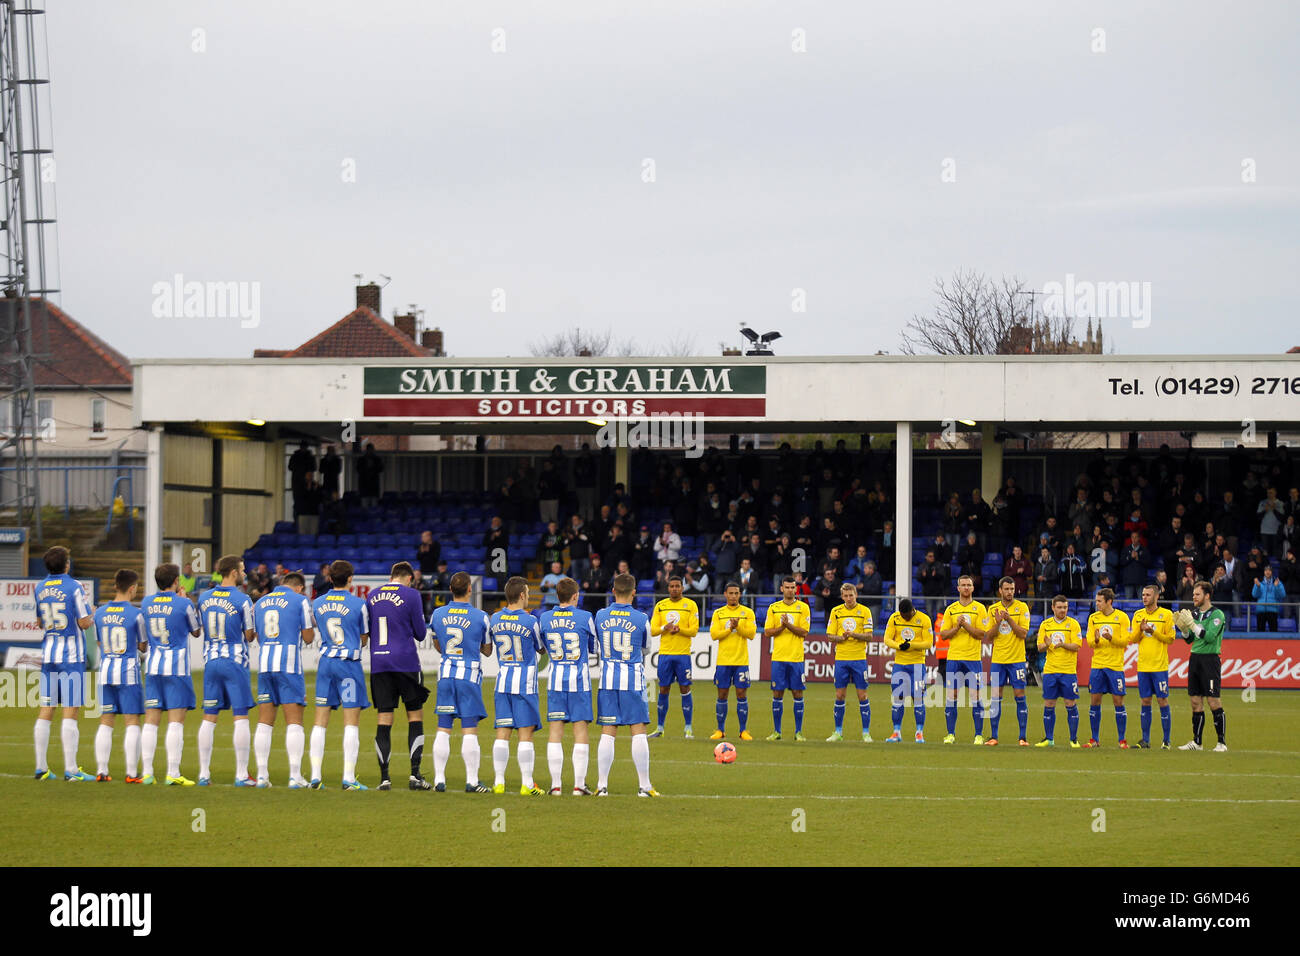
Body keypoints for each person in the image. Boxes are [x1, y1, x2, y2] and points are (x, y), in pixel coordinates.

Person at [366, 562, 433, 790]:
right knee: (414, 716)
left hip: (379, 663)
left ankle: (384, 778)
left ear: (391, 576)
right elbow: (421, 634)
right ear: (409, 578)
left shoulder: (372, 595)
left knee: (384, 719)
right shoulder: (412, 595)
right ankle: (415, 775)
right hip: (405, 662)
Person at [32, 546, 96, 782]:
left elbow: (39, 622)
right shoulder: (74, 587)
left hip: (49, 655)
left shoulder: (39, 588)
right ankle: (71, 769)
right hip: (71, 657)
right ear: (66, 564)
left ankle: (41, 768)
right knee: (71, 710)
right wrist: (94, 613)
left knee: (46, 709)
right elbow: (84, 623)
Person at [427, 571, 494, 794]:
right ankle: (472, 781)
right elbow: (487, 650)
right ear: (469, 589)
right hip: (468, 676)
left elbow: (437, 644)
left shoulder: (437, 614)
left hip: (446, 675)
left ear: (450, 590)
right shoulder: (481, 616)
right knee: (469, 729)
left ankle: (438, 780)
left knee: (443, 728)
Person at [593, 573, 658, 796]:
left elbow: (597, 644)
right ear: (634, 592)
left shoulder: (600, 615)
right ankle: (644, 786)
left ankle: (602, 785)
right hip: (632, 679)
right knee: (638, 730)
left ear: (613, 591)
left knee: (608, 731)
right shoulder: (641, 618)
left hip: (608, 679)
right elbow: (646, 649)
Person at [195, 556, 257, 786]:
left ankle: (203, 774)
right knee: (240, 716)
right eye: (242, 569)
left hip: (211, 661)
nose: (245, 573)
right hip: (234, 661)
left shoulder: (204, 597)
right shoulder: (242, 600)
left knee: (209, 717)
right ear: (232, 572)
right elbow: (249, 635)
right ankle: (241, 774)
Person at [310, 560, 371, 790]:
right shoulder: (359, 604)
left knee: (320, 720)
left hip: (326, 664)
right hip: (348, 665)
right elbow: (364, 637)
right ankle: (348, 777)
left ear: (329, 578)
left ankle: (315, 777)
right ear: (350, 579)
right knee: (351, 722)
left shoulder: (318, 603)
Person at [252, 570, 316, 788]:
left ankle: (262, 776)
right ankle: (295, 776)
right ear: (299, 587)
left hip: (265, 664)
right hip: (288, 664)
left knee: (264, 721)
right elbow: (308, 638)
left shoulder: (261, 602)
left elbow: (258, 636)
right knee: (294, 721)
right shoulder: (300, 601)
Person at [141, 562, 203, 785]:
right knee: (176, 721)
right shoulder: (183, 603)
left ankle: (147, 772)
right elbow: (196, 631)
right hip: (176, 668)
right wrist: (185, 600)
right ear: (176, 581)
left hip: (153, 666)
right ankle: (173, 773)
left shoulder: (146, 602)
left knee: (151, 719)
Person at [538, 577, 598, 795]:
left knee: (555, 731)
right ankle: (578, 785)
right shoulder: (585, 617)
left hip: (555, 681)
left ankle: (555, 786)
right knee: (580, 731)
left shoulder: (544, 617)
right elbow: (593, 648)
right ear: (574, 596)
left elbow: (542, 646)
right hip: (579, 682)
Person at [488, 577, 548, 795]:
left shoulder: (494, 618)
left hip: (503, 682)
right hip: (525, 684)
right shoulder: (531, 621)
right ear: (522, 595)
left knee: (502, 732)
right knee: (525, 734)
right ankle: (527, 784)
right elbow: (541, 649)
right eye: (528, 594)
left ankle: (499, 783)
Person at [91, 569, 148, 783]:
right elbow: (143, 646)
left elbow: (98, 642)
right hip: (127, 672)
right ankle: (132, 773)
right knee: (132, 721)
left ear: (115, 586)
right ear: (132, 588)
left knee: (106, 721)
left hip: (105, 670)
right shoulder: (136, 614)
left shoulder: (100, 613)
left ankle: (101, 770)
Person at [1175, 581, 1228, 751]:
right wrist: (1183, 629)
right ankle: (1197, 742)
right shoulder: (1195, 613)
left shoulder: (1217, 614)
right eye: (1193, 595)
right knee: (1195, 701)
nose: (1194, 597)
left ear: (1207, 595)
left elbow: (1210, 637)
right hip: (1195, 659)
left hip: (1210, 660)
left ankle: (1221, 743)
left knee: (1213, 701)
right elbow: (1190, 639)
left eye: (1197, 594)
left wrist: (1191, 624)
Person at [939, 575, 989, 745]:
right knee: (952, 696)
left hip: (973, 659)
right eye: (963, 585)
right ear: (958, 588)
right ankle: (950, 734)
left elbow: (982, 634)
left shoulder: (980, 609)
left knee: (976, 696)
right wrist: (956, 627)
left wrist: (965, 625)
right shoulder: (951, 610)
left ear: (973, 588)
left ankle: (978, 735)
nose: (966, 588)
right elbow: (944, 635)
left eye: (969, 585)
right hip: (954, 659)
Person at [648, 575, 700, 739]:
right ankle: (660, 728)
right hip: (665, 655)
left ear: (682, 588)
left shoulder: (690, 605)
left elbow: (694, 630)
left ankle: (688, 727)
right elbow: (653, 630)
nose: (674, 589)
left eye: (677, 586)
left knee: (685, 689)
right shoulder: (661, 606)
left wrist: (679, 630)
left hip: (683, 655)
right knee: (663, 689)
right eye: (671, 586)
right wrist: (665, 627)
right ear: (668, 587)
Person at [823, 582, 875, 742]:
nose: (848, 598)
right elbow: (830, 636)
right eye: (845, 596)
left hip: (859, 659)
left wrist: (853, 634)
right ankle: (838, 732)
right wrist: (841, 638)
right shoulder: (836, 611)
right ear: (842, 596)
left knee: (862, 695)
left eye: (851, 595)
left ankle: (866, 733)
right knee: (839, 695)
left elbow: (869, 636)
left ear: (856, 595)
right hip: (841, 659)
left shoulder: (864, 611)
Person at [763, 577, 812, 742]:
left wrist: (788, 626)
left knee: (797, 693)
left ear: (796, 590)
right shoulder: (774, 608)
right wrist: (781, 627)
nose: (790, 590)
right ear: (782, 589)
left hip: (796, 658)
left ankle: (798, 732)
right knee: (777, 693)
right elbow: (768, 632)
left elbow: (804, 632)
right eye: (787, 587)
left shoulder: (803, 608)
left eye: (793, 587)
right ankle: (777, 731)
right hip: (778, 657)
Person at [986, 576, 1032, 746]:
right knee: (996, 697)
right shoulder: (992, 610)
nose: (1010, 592)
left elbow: (1023, 634)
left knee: (1019, 696)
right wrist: (998, 623)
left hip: (1017, 660)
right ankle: (993, 737)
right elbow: (989, 637)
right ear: (1000, 590)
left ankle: (1022, 737)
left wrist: (1009, 619)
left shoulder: (1022, 607)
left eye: (1012, 589)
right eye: (1006, 589)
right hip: (998, 661)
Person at [708, 582, 757, 741]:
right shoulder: (718, 613)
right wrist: (730, 629)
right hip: (723, 661)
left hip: (741, 661)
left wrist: (738, 627)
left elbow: (751, 634)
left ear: (740, 595)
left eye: (736, 593)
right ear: (725, 594)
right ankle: (720, 730)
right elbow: (714, 635)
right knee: (722, 694)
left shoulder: (747, 612)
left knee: (741, 694)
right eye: (731, 593)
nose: (734, 596)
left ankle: (743, 731)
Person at [1084, 587, 1131, 749]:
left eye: (1099, 601)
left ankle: (1122, 740)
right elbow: (1089, 642)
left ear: (1109, 601)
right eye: (1096, 601)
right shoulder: (1093, 618)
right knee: (1095, 701)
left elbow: (1125, 642)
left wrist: (1111, 639)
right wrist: (1096, 640)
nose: (1096, 604)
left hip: (1115, 666)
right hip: (1097, 665)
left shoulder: (1122, 617)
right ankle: (1094, 739)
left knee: (1118, 701)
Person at [880, 596, 932, 743]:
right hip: (900, 664)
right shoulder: (895, 618)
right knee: (898, 698)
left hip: (917, 665)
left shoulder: (924, 619)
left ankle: (919, 733)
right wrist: (899, 645)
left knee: (918, 699)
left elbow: (929, 643)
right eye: (903, 616)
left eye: (907, 616)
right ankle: (896, 732)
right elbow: (887, 639)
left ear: (912, 611)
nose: (905, 618)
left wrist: (912, 645)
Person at [1034, 595, 1083, 747]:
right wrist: (1047, 644)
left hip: (1068, 671)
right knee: (1049, 703)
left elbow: (1077, 645)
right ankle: (1049, 739)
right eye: (1060, 607)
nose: (1063, 610)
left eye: (1065, 607)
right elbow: (1039, 647)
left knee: (1070, 703)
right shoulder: (1045, 624)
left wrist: (1062, 645)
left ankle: (1073, 739)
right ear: (1053, 608)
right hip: (1050, 670)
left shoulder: (1073, 624)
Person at [1131, 583, 1176, 749]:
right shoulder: (1137, 615)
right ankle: (1145, 740)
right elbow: (1133, 639)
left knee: (1162, 700)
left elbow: (1170, 639)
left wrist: (1152, 631)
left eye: (1148, 595)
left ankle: (1166, 741)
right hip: (1143, 666)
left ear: (1156, 597)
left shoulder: (1166, 614)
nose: (1144, 597)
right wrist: (1141, 631)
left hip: (1159, 666)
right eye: (1143, 594)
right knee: (1145, 701)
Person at [1251, 565, 1285, 632]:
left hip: (1272, 610)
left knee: (1274, 632)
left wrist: (1276, 587)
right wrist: (1257, 586)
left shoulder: (1277, 582)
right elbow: (1254, 595)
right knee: (1260, 632)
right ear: (1264, 572)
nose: (1267, 572)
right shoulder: (1259, 582)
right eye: (1266, 570)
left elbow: (1282, 595)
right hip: (1261, 610)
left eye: (1269, 570)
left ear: (1272, 572)